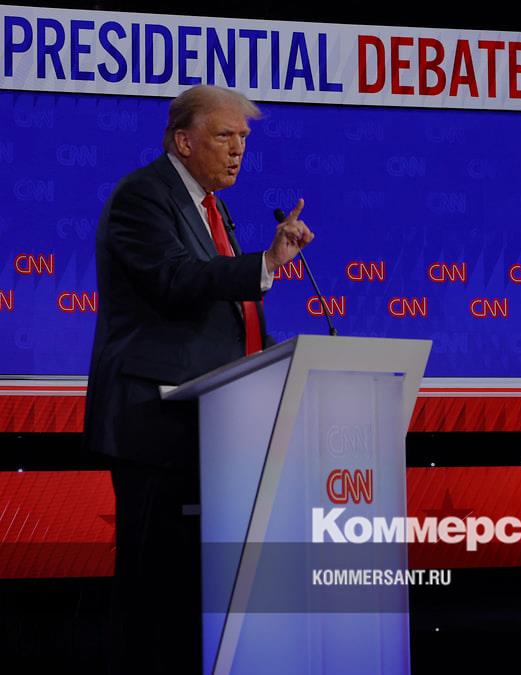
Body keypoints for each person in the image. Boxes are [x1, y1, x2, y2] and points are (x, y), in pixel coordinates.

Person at [82, 84, 314, 673]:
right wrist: (264, 264)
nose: (238, 150)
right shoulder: (142, 197)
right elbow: (176, 279)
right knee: (151, 593)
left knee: (189, 594)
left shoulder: (211, 206)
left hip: (208, 430)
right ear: (183, 141)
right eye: (224, 136)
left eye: (244, 138)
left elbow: (218, 312)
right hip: (154, 426)